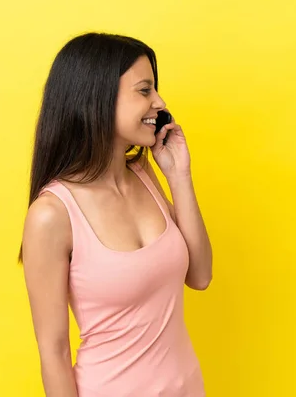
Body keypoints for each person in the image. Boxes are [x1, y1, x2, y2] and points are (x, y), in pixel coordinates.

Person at [19, 32, 213, 397]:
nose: (159, 101)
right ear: (98, 99)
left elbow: (200, 275)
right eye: (144, 90)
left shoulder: (145, 175)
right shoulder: (51, 215)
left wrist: (180, 176)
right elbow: (54, 353)